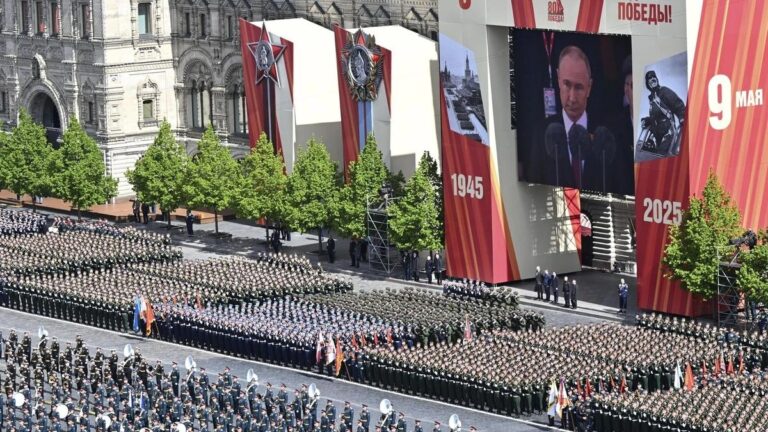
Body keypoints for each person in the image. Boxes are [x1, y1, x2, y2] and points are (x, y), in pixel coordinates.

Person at [641, 70, 685, 156]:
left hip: (667, 133)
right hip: (657, 135)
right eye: (650, 78)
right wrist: (647, 120)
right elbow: (656, 116)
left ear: (657, 79)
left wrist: (682, 116)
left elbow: (678, 104)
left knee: (661, 156)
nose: (652, 79)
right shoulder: (652, 98)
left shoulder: (664, 91)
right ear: (647, 83)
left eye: (654, 77)